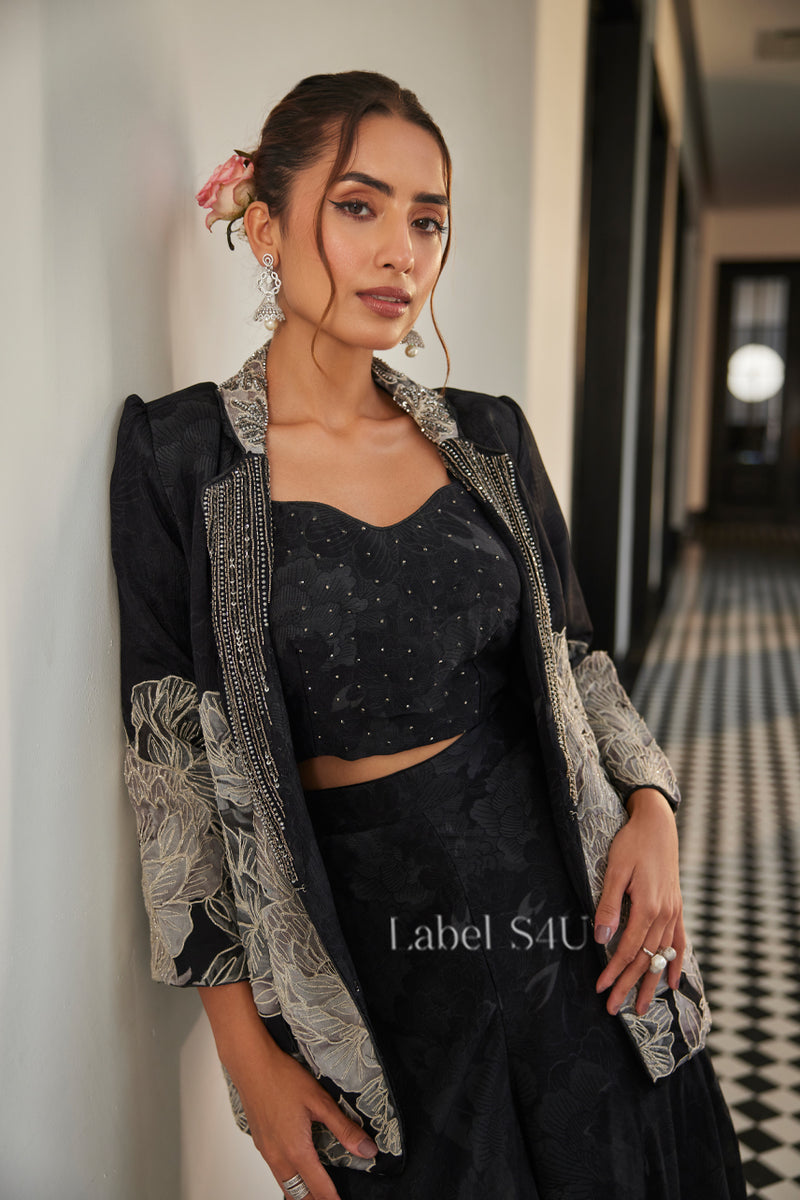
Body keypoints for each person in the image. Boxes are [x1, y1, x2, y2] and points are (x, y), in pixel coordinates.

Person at [111, 71, 744, 1200]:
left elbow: (577, 658)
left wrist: (651, 807)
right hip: (369, 972)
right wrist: (247, 1057)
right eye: (358, 207)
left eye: (427, 219)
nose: (400, 252)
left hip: (571, 925)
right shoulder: (183, 459)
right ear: (264, 227)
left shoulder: (488, 440)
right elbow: (172, 778)